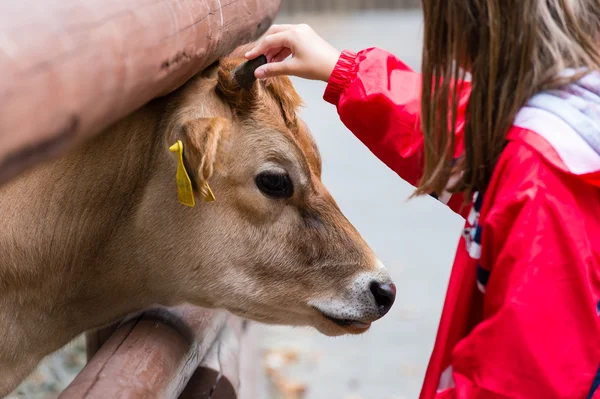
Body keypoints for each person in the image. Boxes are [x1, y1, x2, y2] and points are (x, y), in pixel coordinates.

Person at [245, 2, 600, 398]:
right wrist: (344, 72)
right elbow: (458, 132)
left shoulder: (541, 182)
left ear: (469, 29)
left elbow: (522, 386)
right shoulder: (572, 120)